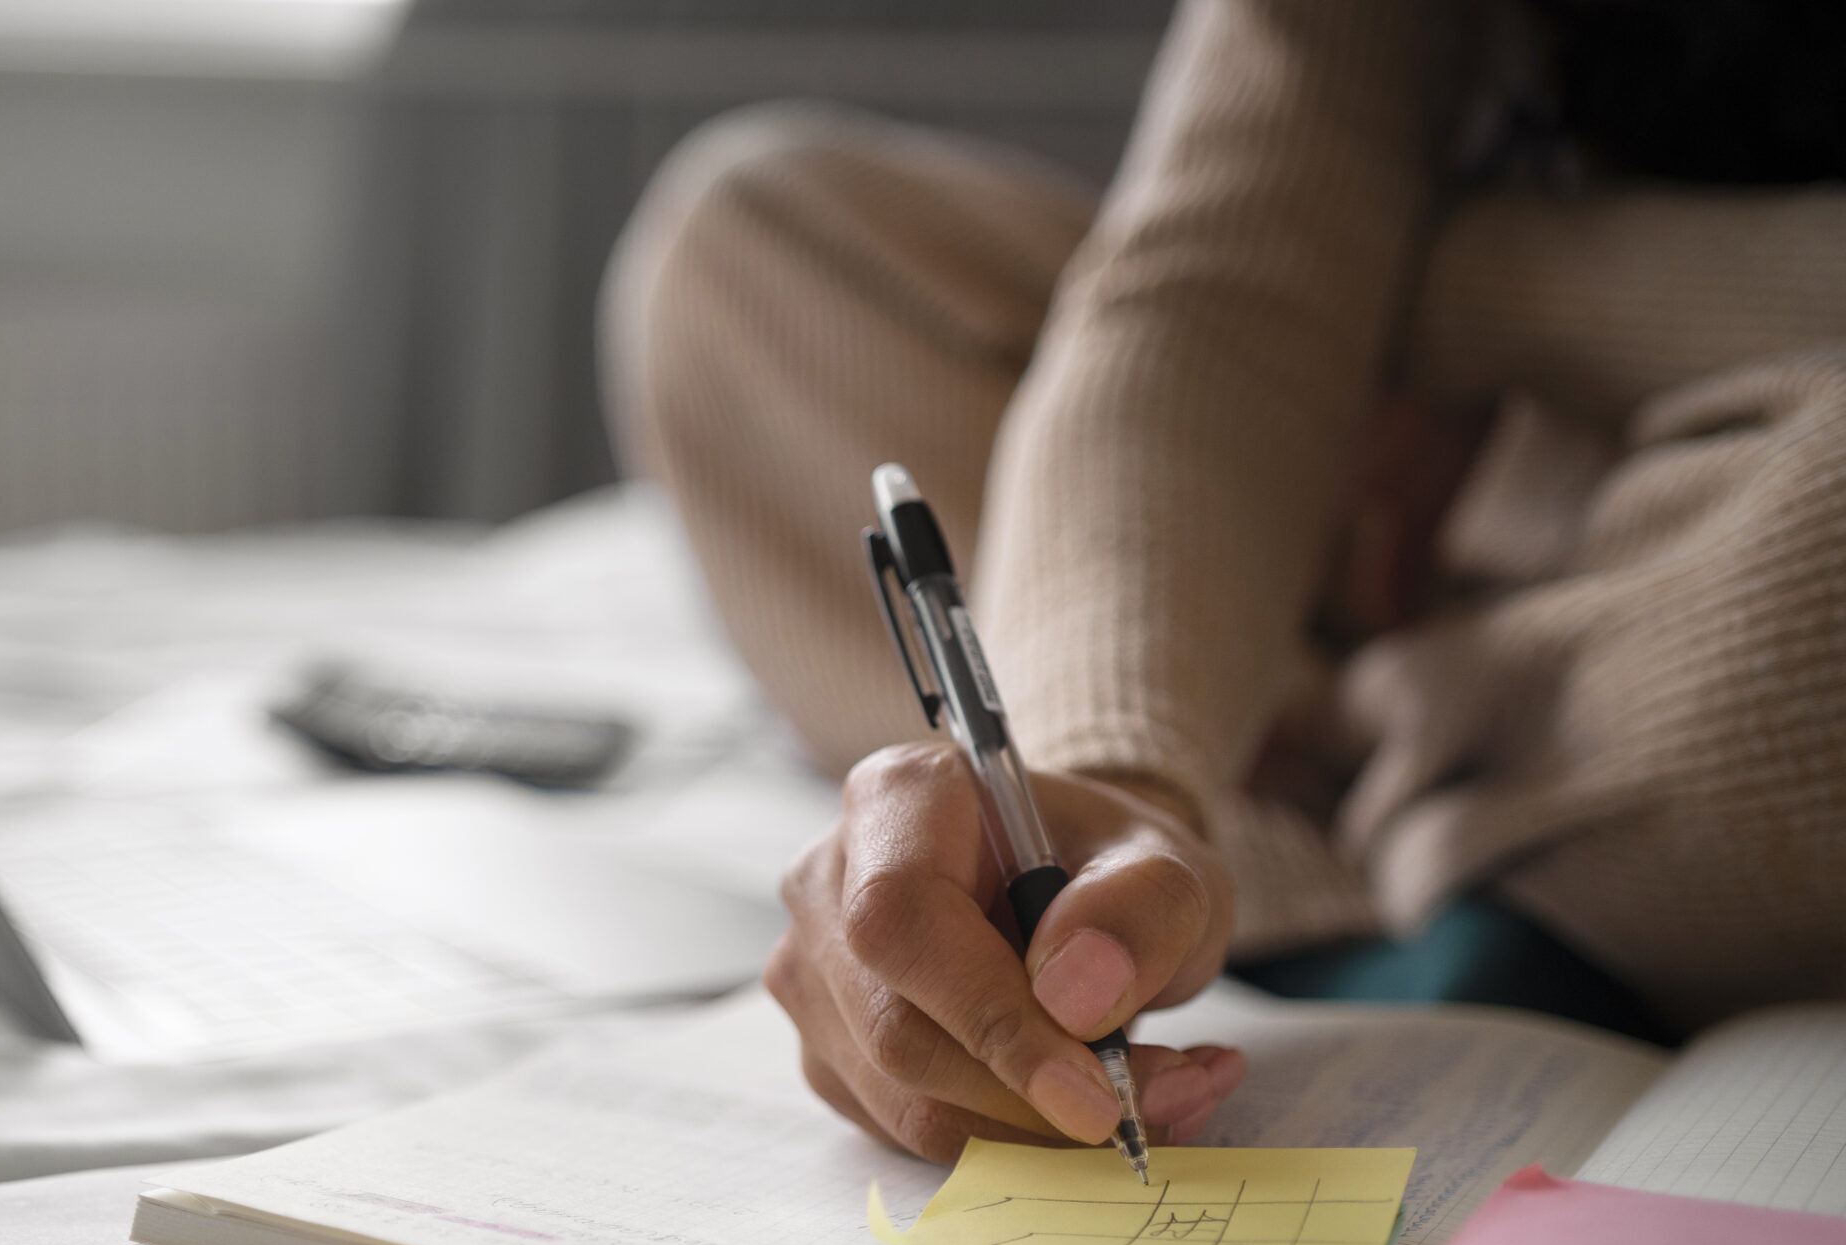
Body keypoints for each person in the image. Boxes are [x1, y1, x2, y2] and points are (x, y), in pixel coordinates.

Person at [601, 0, 1846, 1163]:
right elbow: (1212, 286)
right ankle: (1427, 753)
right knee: (752, 248)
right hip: (1383, 475)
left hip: (1732, 459)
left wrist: (1446, 292)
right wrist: (1108, 771)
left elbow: (1285, 282)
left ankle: (1316, 733)